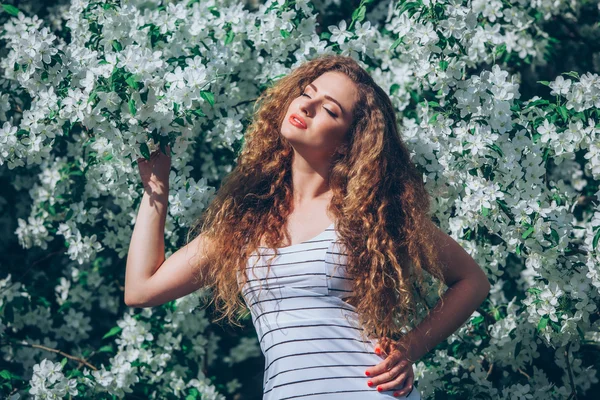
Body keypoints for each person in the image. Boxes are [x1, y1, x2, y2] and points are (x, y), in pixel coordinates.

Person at [125, 54, 491, 399]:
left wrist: (410, 347)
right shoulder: (246, 223)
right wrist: (156, 188)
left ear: (348, 144)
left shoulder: (372, 213)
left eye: (329, 110)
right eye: (306, 94)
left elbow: (472, 281)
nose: (306, 107)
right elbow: (141, 289)